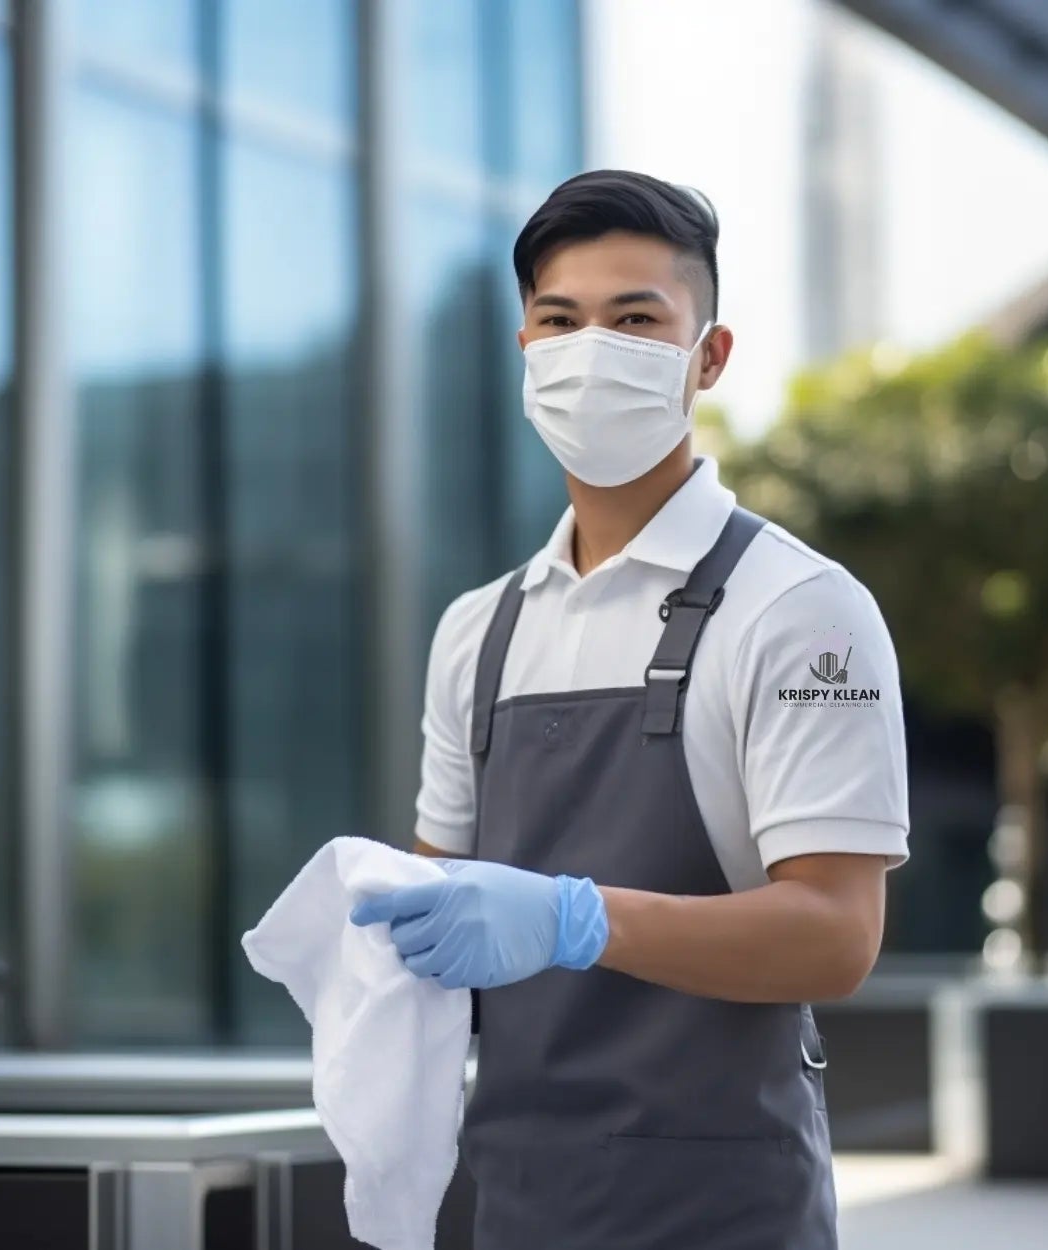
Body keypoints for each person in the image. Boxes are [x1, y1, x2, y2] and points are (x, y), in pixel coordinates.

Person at [350, 169, 909, 1249]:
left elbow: (836, 937)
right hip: (516, 1204)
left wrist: (572, 917)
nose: (591, 349)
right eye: (560, 320)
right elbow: (442, 926)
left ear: (709, 357)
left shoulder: (802, 611)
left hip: (721, 1214)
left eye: (636, 319)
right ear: (524, 350)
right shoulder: (477, 631)